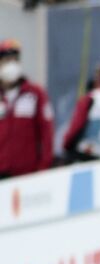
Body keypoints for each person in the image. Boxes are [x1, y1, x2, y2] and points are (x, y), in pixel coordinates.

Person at [0, 39, 54, 178]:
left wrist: (43, 167)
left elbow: (47, 132)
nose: (11, 65)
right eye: (6, 60)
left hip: (27, 175)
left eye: (15, 60)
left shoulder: (35, 94)